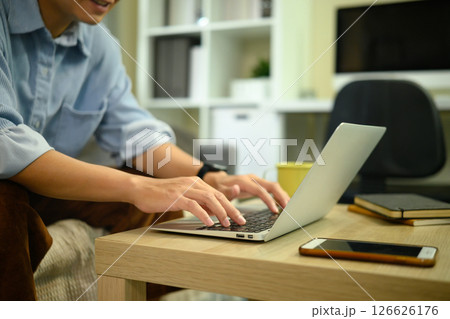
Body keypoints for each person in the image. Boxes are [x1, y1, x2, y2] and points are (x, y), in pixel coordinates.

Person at [0, 0, 289, 300]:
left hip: (47, 195)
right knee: (7, 200)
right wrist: (138, 186)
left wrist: (210, 176)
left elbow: (135, 134)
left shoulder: (101, 45)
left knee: (173, 200)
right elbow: (4, 141)